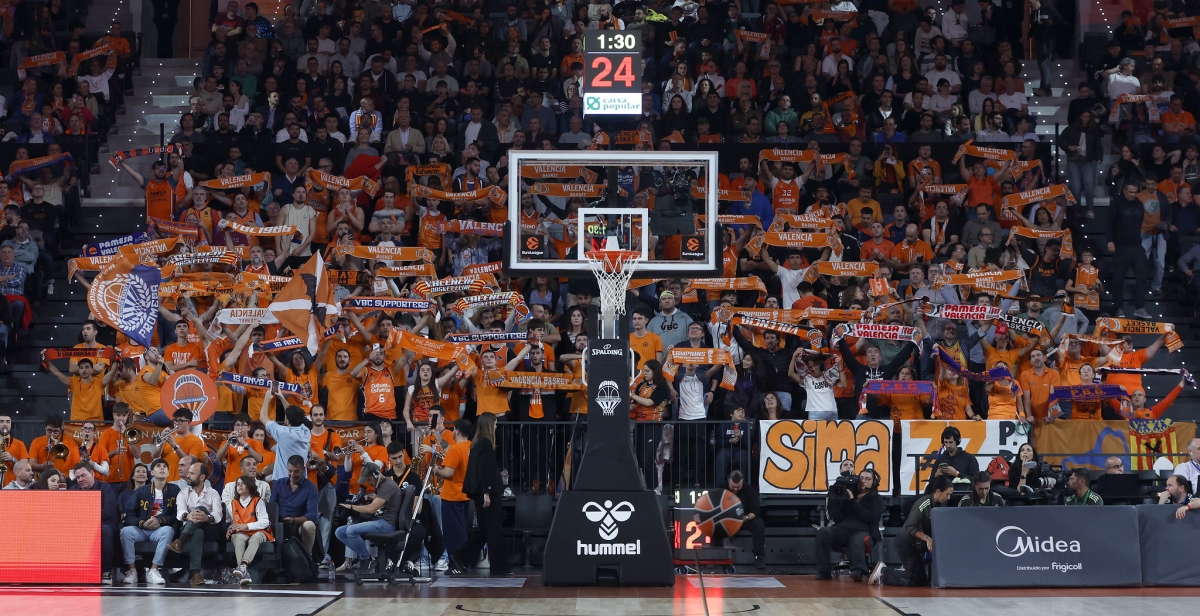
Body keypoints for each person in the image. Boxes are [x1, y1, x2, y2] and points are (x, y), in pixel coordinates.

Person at [448, 414, 510, 575]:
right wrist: (487, 492)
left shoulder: (477, 443)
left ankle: (460, 556)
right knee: (494, 528)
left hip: (480, 491)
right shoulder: (485, 444)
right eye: (495, 424)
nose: (496, 427)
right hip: (487, 492)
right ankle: (499, 567)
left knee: (484, 529)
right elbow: (485, 469)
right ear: (489, 425)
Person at [871, 475, 954, 586]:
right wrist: (927, 538)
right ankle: (883, 572)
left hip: (917, 546)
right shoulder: (923, 504)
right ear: (938, 491)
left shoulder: (941, 505)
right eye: (947, 494)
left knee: (920, 580)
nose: (949, 498)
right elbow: (910, 527)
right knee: (911, 579)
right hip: (906, 543)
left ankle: (904, 571)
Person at [815, 468, 883, 582]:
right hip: (843, 529)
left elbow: (869, 517)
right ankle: (824, 572)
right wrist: (837, 500)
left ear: (873, 482)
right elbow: (837, 517)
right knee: (823, 532)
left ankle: (858, 570)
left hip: (864, 531)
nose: (863, 481)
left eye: (868, 479)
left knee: (856, 540)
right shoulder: (848, 495)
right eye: (861, 478)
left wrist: (852, 501)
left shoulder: (876, 498)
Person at [119, 458, 180, 585]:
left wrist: (161, 520)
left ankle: (154, 570)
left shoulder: (175, 490)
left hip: (159, 530)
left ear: (168, 472)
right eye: (158, 466)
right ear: (152, 472)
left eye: (165, 466)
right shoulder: (142, 491)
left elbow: (178, 515)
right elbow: (129, 516)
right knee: (125, 531)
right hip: (141, 529)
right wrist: (142, 523)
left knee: (169, 530)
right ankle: (132, 571)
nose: (162, 468)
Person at [334, 461, 402, 573]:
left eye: (369, 480)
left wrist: (352, 507)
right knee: (340, 532)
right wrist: (367, 499)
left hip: (387, 524)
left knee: (351, 530)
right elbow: (375, 501)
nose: (369, 483)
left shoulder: (387, 486)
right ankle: (366, 557)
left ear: (376, 475)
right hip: (379, 520)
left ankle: (365, 559)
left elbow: (371, 509)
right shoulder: (381, 485)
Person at [168, 460, 223, 585]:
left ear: (202, 477)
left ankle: (180, 541)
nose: (188, 476)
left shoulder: (213, 493)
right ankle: (196, 574)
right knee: (196, 532)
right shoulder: (183, 493)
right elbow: (179, 513)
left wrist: (206, 518)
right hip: (190, 528)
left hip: (210, 529)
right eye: (189, 473)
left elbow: (218, 514)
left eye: (192, 474)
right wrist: (188, 515)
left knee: (202, 509)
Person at [69, 463, 120, 579]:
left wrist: (84, 515)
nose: (80, 480)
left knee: (105, 530)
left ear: (92, 474)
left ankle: (106, 571)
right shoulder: (73, 490)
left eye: (83, 476)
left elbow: (108, 512)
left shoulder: (105, 487)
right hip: (81, 526)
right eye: (77, 478)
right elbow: (70, 514)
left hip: (103, 524)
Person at [433, 418, 473, 560]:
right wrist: (437, 434)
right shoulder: (470, 446)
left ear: (456, 431)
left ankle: (456, 562)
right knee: (461, 530)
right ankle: (463, 561)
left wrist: (437, 470)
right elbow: (449, 450)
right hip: (465, 495)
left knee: (453, 533)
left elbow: (448, 473)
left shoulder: (456, 449)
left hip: (452, 496)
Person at [227, 473, 274, 584]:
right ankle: (244, 571)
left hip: (259, 531)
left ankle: (243, 566)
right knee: (238, 537)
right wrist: (230, 528)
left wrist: (247, 526)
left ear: (250, 486)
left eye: (243, 484)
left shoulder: (257, 501)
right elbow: (232, 522)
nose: (239, 486)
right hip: (241, 532)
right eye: (238, 484)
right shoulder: (232, 504)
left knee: (256, 537)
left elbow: (265, 522)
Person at [271, 455, 319, 558]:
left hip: (298, 523)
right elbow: (272, 506)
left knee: (309, 525)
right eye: (290, 471)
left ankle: (306, 559)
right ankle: (272, 565)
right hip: (279, 522)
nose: (292, 475)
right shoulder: (279, 483)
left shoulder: (310, 487)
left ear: (303, 470)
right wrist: (280, 519)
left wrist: (294, 520)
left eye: (296, 471)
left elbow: (312, 514)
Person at [724, 470, 765, 570]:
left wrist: (745, 518)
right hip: (727, 519)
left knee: (759, 524)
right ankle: (722, 557)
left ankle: (759, 557)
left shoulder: (749, 490)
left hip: (744, 519)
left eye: (738, 487)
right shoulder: (722, 488)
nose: (735, 489)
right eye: (733, 487)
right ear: (728, 481)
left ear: (742, 481)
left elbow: (755, 511)